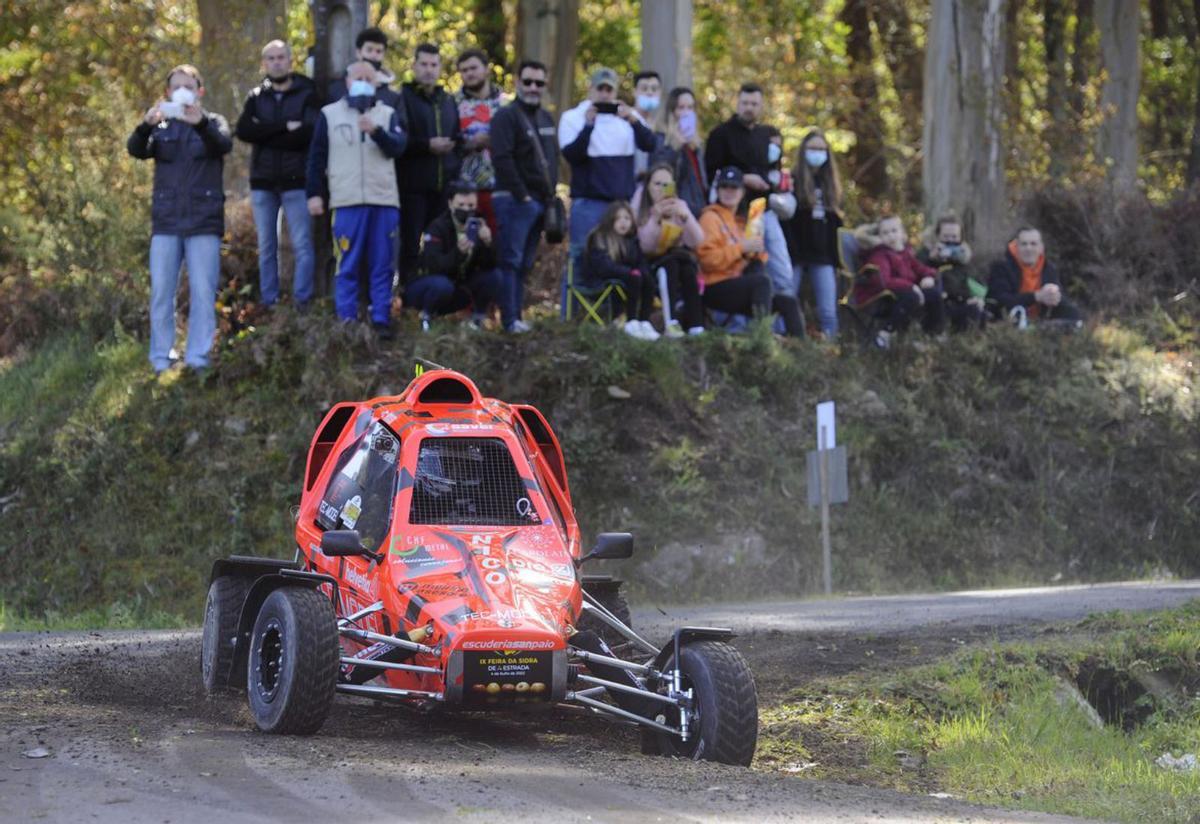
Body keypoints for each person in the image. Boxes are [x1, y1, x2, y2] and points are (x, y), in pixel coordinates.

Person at [127, 64, 232, 374]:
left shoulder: (213, 123)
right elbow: (135, 150)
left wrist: (200, 124)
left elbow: (223, 145)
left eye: (189, 85)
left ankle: (198, 357)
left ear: (199, 91)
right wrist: (146, 125)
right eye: (176, 86)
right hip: (166, 223)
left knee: (202, 292)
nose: (182, 90)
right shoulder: (161, 128)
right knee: (161, 292)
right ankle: (161, 357)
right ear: (168, 92)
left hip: (203, 222)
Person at [306, 62, 408, 338]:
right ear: (347, 82)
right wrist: (314, 194)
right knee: (347, 262)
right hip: (347, 200)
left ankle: (381, 318)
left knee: (382, 262)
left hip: (383, 200)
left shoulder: (387, 114)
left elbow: (399, 148)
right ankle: (347, 319)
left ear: (376, 83)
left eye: (368, 78)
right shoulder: (330, 114)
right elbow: (316, 158)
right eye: (358, 77)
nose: (363, 82)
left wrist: (377, 131)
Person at [558, 67, 657, 317]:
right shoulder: (574, 117)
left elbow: (650, 144)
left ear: (614, 92)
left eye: (608, 89)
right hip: (587, 202)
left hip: (619, 206)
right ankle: (571, 316)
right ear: (591, 89)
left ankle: (612, 316)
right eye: (599, 89)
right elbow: (571, 155)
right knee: (580, 257)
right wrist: (589, 126)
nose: (604, 94)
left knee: (619, 259)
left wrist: (632, 120)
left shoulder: (627, 118)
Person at [235, 40, 318, 310]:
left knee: (302, 245)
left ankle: (301, 303)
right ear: (264, 62)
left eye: (281, 57)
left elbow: (308, 133)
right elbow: (245, 130)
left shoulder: (307, 91)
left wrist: (266, 132)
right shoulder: (257, 96)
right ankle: (269, 303)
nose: (277, 62)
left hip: (297, 181)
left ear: (290, 60)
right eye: (271, 58)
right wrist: (284, 127)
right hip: (263, 182)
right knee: (266, 245)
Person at [704, 83, 795, 300]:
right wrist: (744, 179)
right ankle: (745, 325)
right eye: (745, 103)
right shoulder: (721, 134)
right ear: (737, 103)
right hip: (735, 214)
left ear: (761, 106)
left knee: (781, 269)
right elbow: (711, 175)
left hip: (764, 209)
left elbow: (774, 171)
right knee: (744, 268)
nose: (749, 108)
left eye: (754, 104)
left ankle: (782, 326)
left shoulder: (767, 135)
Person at [490, 60, 558, 334]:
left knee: (526, 263)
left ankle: (517, 316)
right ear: (517, 82)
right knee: (511, 261)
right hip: (514, 200)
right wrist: (523, 195)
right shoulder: (506, 116)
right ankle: (509, 320)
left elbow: (553, 159)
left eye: (539, 83)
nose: (533, 87)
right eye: (528, 81)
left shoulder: (546, 118)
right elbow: (502, 158)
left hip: (540, 202)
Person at [697, 167, 805, 337]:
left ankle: (803, 354)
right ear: (717, 190)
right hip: (714, 286)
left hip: (739, 284)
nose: (729, 191)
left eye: (734, 187)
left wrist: (757, 253)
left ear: (742, 192)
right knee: (761, 282)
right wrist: (741, 248)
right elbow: (707, 261)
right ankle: (762, 339)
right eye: (725, 186)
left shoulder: (741, 222)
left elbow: (751, 259)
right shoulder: (709, 218)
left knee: (787, 302)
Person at [398, 44, 463, 284]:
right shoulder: (402, 97)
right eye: (423, 64)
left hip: (444, 187)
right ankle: (407, 297)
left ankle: (436, 298)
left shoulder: (447, 100)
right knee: (410, 247)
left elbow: (457, 136)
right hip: (413, 187)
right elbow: (399, 141)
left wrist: (455, 147)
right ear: (414, 66)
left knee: (440, 245)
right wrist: (426, 145)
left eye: (433, 65)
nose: (428, 70)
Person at [407, 182, 505, 330]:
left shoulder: (478, 225)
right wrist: (458, 253)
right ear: (451, 204)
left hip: (458, 286)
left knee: (494, 277)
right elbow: (434, 266)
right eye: (461, 205)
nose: (466, 210)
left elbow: (490, 265)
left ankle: (477, 320)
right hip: (426, 286)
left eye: (471, 206)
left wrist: (488, 243)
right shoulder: (438, 227)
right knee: (442, 285)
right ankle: (426, 318)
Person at [632, 162, 705, 336]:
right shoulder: (640, 207)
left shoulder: (679, 206)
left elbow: (697, 241)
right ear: (648, 186)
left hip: (677, 260)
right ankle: (670, 322)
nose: (661, 189)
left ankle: (696, 325)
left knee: (687, 270)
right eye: (657, 184)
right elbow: (646, 245)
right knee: (670, 267)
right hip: (650, 264)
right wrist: (656, 219)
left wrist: (685, 218)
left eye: (666, 184)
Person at [784, 129, 843, 338]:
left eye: (821, 149)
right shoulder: (792, 180)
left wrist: (837, 259)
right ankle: (780, 345)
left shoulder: (831, 185)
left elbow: (836, 224)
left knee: (828, 310)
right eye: (812, 148)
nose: (817, 153)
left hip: (823, 255)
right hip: (796, 253)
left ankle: (830, 351)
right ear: (803, 151)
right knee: (786, 301)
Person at [855, 215, 944, 346]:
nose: (891, 236)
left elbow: (919, 268)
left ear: (902, 233)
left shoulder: (905, 252)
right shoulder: (879, 254)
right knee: (911, 296)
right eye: (885, 233)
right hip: (882, 297)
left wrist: (928, 276)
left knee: (933, 294)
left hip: (905, 293)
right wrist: (911, 286)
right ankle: (886, 333)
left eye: (894, 231)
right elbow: (883, 281)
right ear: (879, 237)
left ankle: (932, 334)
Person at [582, 201, 658, 340]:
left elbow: (640, 262)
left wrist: (641, 271)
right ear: (610, 220)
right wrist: (628, 272)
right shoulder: (599, 238)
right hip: (600, 281)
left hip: (623, 279)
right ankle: (631, 321)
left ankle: (644, 322)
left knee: (647, 278)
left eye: (627, 218)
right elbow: (603, 266)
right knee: (634, 277)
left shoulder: (632, 241)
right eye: (618, 218)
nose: (623, 222)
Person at [454, 48, 506, 234]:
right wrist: (470, 144)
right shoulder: (452, 103)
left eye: (473, 68)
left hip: (501, 186)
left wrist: (495, 140)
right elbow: (449, 143)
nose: (469, 73)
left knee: (498, 246)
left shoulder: (505, 104)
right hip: (464, 189)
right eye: (464, 70)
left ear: (486, 69)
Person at [988, 226, 1083, 326]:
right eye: (1024, 244)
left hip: (1041, 320)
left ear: (1041, 248)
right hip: (1009, 320)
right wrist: (1036, 297)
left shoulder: (1049, 269)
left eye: (1033, 244)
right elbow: (1000, 300)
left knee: (1072, 312)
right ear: (1016, 246)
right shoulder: (1001, 267)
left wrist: (1055, 297)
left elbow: (1060, 298)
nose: (1029, 248)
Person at [917, 213, 986, 332]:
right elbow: (916, 273)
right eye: (946, 236)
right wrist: (932, 259)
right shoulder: (924, 254)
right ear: (938, 235)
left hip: (960, 303)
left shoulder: (964, 259)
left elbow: (977, 284)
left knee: (978, 313)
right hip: (935, 305)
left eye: (954, 237)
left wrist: (976, 298)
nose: (950, 241)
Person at [649, 86, 709, 219]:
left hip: (698, 208)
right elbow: (659, 172)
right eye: (681, 108)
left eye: (690, 107)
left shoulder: (695, 144)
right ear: (671, 111)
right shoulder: (661, 139)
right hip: (676, 210)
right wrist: (675, 148)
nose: (686, 112)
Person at [327, 27, 402, 109]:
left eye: (379, 51)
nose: (374, 56)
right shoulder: (337, 89)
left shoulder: (393, 98)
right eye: (369, 50)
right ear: (358, 52)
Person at [631, 70, 662, 175]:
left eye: (654, 89)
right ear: (634, 91)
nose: (650, 93)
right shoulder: (626, 121)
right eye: (644, 89)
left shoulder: (663, 126)